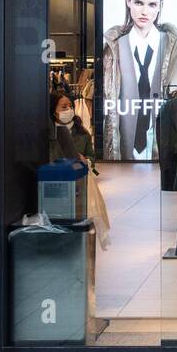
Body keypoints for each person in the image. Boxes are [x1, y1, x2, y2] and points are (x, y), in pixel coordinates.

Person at [102, 0, 177, 161]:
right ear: (128, 1)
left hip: (161, 139)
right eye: (139, 2)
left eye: (152, 5)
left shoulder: (173, 46)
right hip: (123, 145)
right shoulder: (112, 47)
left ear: (160, 6)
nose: (144, 11)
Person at [50, 90, 110, 248]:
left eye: (70, 106)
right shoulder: (48, 134)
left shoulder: (82, 134)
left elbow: (92, 157)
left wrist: (87, 160)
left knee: (80, 217)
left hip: (79, 184)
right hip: (55, 184)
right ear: (53, 110)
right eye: (63, 107)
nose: (68, 110)